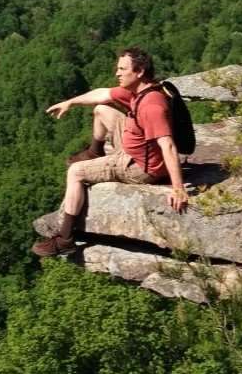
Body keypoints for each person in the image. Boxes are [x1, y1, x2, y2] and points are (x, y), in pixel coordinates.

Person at [31, 47, 189, 258]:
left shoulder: (151, 106)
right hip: (136, 144)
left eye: (122, 69)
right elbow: (102, 94)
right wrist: (70, 102)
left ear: (139, 71)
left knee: (76, 172)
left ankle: (65, 239)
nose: (117, 73)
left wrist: (178, 188)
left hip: (140, 167)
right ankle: (94, 152)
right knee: (101, 110)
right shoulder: (142, 91)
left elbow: (167, 145)